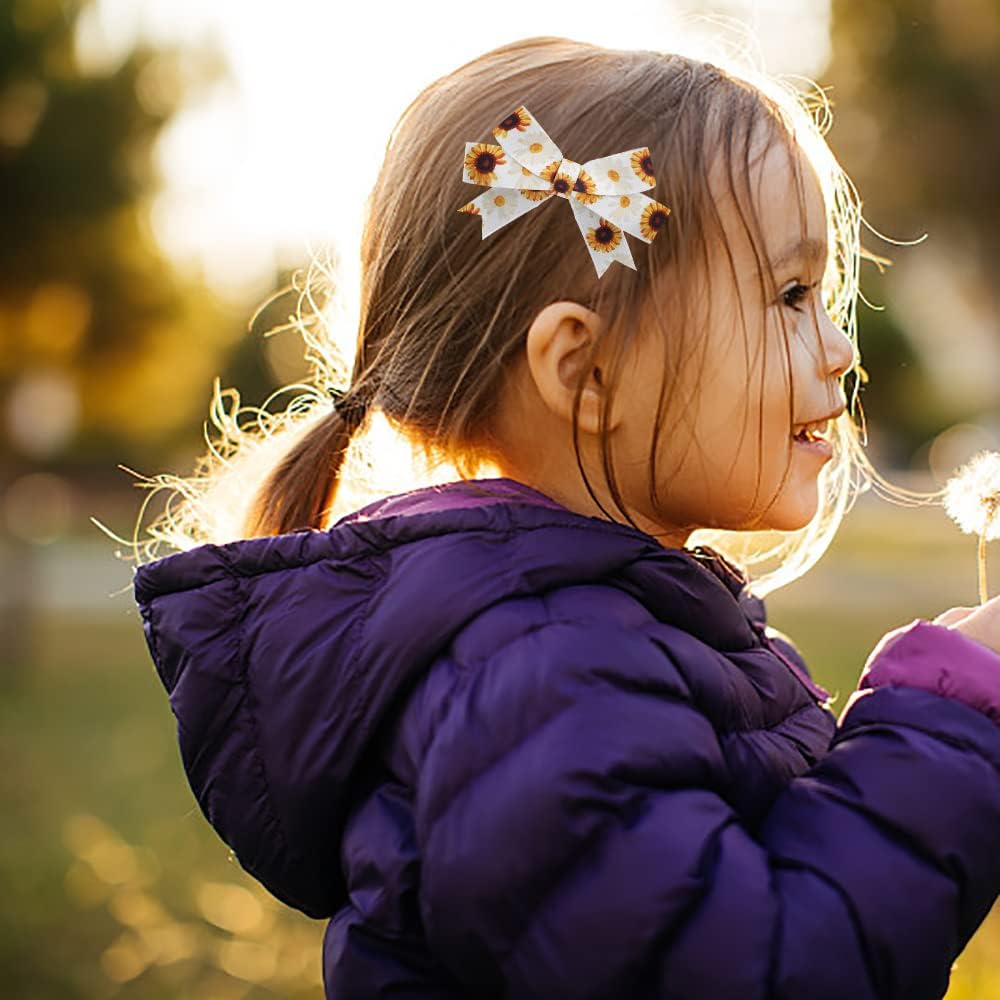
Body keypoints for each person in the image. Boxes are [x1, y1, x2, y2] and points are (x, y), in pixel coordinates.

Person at [131, 36, 1000, 999]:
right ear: (586, 372)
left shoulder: (599, 637)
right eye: (791, 296)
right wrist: (942, 730)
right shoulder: (538, 674)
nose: (840, 347)